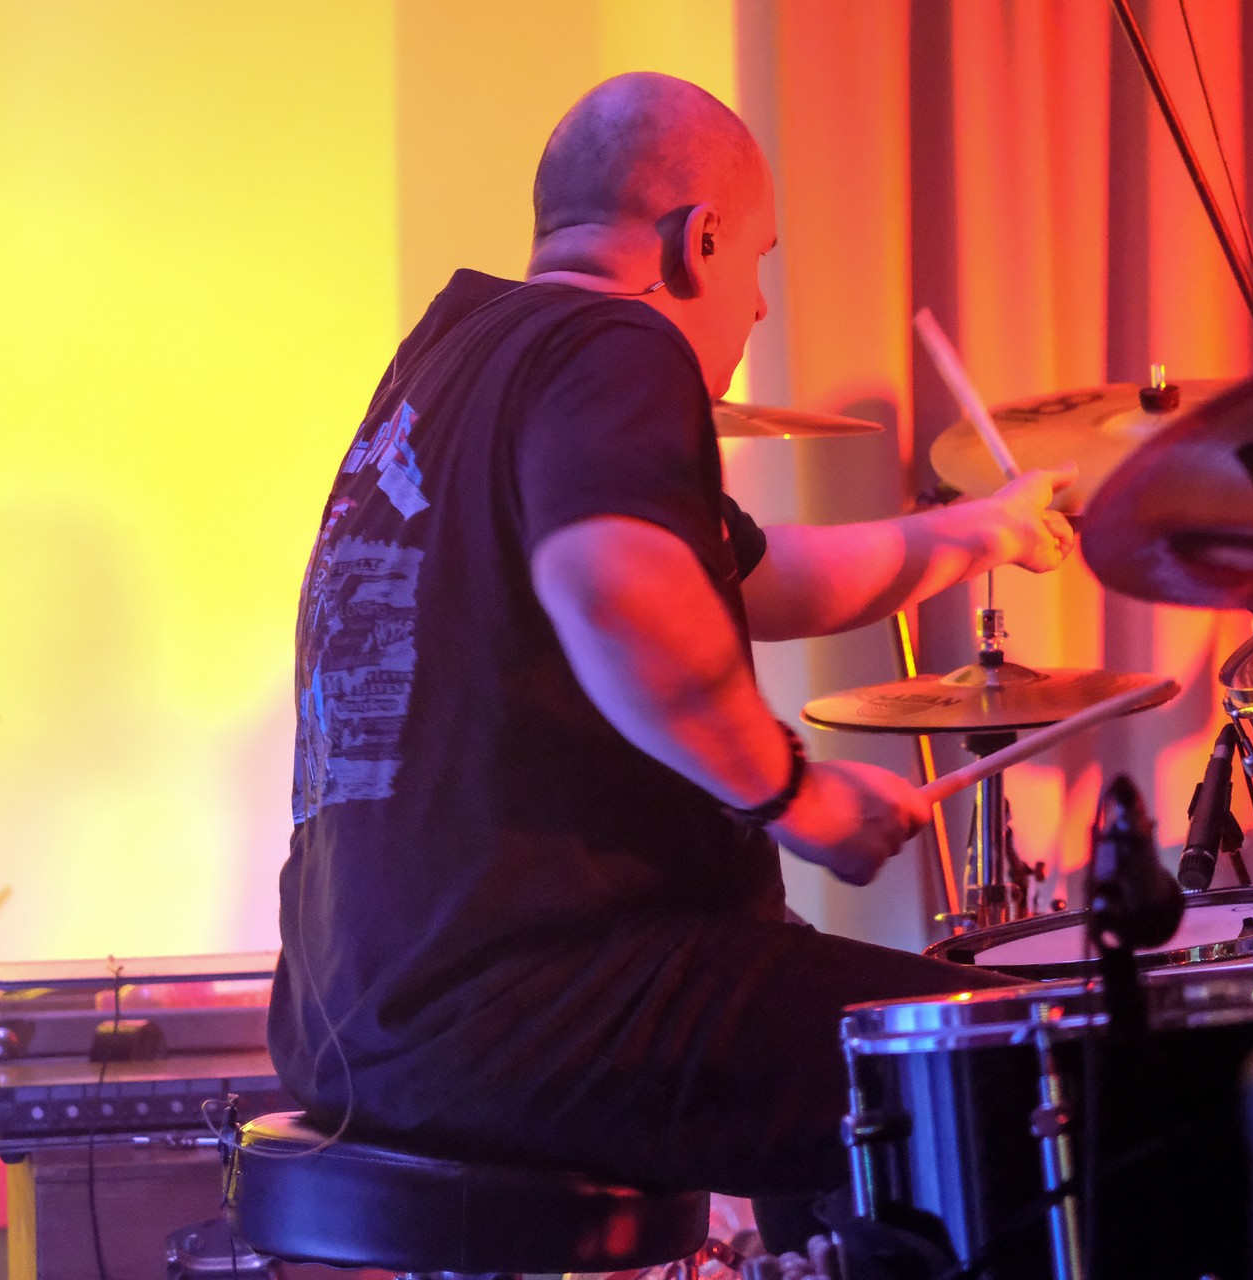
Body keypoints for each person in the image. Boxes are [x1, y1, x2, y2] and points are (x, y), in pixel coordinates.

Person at [268, 70, 1073, 1252]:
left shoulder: (456, 360)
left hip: (355, 1020)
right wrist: (795, 792)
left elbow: (757, 576)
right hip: (533, 1005)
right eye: (758, 261)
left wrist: (981, 531)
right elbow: (615, 584)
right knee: (1023, 1060)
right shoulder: (618, 341)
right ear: (699, 241)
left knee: (841, 1045)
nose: (759, 306)